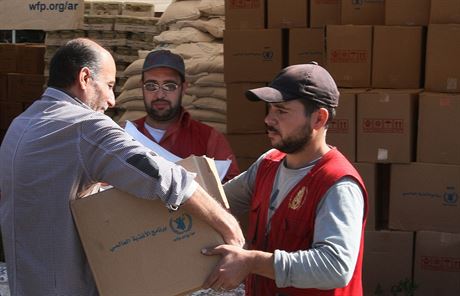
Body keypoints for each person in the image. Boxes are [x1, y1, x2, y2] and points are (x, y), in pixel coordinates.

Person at [0, 38, 244, 296]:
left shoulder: (20, 125)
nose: (112, 100)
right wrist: (228, 225)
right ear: (84, 78)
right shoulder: (85, 126)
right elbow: (163, 177)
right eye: (108, 85)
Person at [201, 62, 368, 295]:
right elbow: (214, 202)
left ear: (319, 119)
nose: (269, 120)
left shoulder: (338, 183)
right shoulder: (268, 164)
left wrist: (252, 262)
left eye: (281, 111)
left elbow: (335, 267)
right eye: (269, 110)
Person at [131, 49, 240, 182]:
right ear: (141, 87)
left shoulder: (208, 139)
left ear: (184, 88)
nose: (160, 95)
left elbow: (231, 189)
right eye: (151, 86)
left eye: (169, 86)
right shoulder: (127, 135)